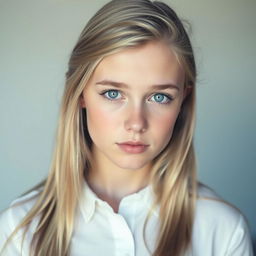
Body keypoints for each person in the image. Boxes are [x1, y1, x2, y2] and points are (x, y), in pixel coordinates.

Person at [0, 0, 254, 255]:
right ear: (80, 95)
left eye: (159, 97)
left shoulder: (223, 231)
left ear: (182, 102)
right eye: (113, 93)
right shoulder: (19, 229)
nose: (136, 123)